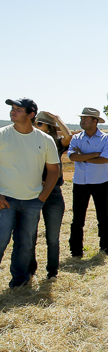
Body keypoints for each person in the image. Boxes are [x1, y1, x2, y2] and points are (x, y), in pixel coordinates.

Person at [0, 98, 61, 289]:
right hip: (5, 200)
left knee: (25, 244)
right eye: (12, 109)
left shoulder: (45, 140)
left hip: (32, 201)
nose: (13, 112)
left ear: (31, 114)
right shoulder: (2, 135)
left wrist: (41, 197)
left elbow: (54, 170)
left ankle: (19, 281)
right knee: (1, 240)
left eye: (19, 109)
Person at [26, 112, 71, 281]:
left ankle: (52, 272)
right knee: (30, 235)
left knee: (53, 237)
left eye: (39, 124)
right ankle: (31, 270)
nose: (36, 127)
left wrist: (58, 119)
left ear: (49, 127)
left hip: (53, 196)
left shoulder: (56, 144)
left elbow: (68, 137)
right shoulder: (30, 142)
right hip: (32, 193)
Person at [66, 106, 108, 258]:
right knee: (78, 218)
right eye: (82, 118)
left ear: (95, 121)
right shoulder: (76, 138)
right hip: (80, 183)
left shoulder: (106, 138)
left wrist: (83, 156)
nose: (82, 121)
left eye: (85, 119)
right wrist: (95, 154)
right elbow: (72, 157)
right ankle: (76, 250)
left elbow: (106, 159)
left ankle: (105, 247)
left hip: (100, 182)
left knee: (103, 217)